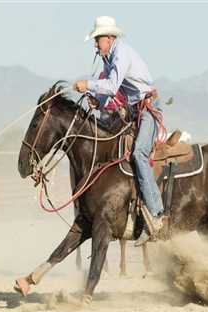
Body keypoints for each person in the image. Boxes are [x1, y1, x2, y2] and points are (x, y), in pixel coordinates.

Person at [73, 16, 166, 245]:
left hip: (148, 110)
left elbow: (113, 85)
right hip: (136, 112)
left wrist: (88, 85)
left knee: (138, 154)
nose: (95, 45)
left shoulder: (121, 53)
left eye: (97, 40)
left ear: (109, 37)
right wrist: (98, 100)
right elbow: (111, 93)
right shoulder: (110, 57)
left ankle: (156, 215)